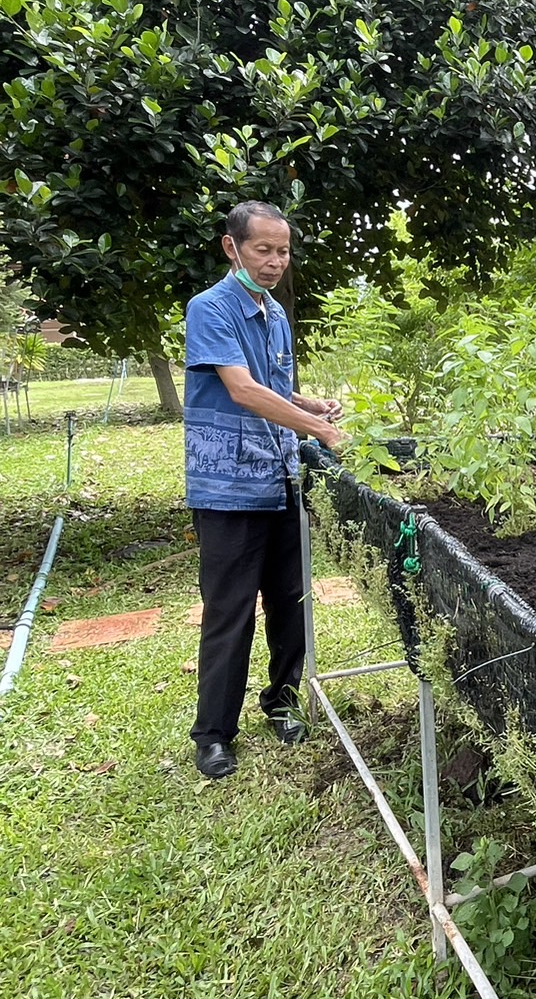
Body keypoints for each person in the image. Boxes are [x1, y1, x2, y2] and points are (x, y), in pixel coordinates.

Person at [183, 200, 348, 779]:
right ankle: (213, 735)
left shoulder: (274, 312)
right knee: (230, 610)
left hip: (281, 476)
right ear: (232, 248)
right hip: (229, 486)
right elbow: (243, 390)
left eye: (283, 251)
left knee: (291, 599)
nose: (276, 261)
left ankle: (282, 701)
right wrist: (322, 430)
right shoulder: (210, 308)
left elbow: (274, 385)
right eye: (264, 250)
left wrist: (309, 404)